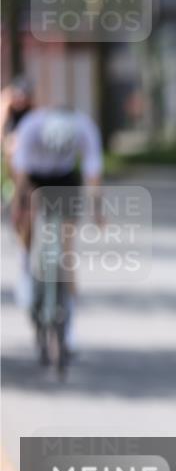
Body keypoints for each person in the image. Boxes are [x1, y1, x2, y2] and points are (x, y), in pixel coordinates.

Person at [9, 105, 103, 348]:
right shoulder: (31, 127)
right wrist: (18, 207)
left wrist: (97, 210)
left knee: (67, 248)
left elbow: (93, 172)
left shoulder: (84, 127)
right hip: (35, 175)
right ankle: (25, 267)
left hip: (64, 176)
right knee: (27, 216)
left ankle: (69, 323)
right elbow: (21, 174)